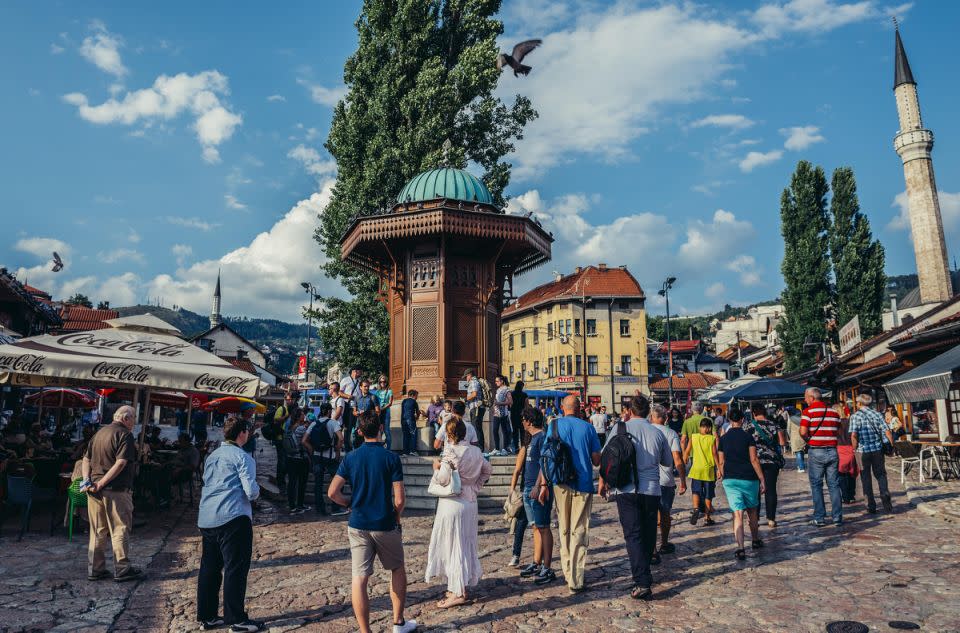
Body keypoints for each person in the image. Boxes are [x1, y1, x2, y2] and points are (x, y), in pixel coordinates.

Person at [328, 411, 417, 633]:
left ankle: (364, 630)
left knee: (359, 578)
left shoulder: (350, 458)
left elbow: (332, 492)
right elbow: (399, 498)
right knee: (396, 569)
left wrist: (348, 503)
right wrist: (396, 516)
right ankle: (398, 622)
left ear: (359, 431)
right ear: (380, 429)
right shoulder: (391, 458)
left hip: (358, 523)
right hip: (384, 522)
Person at [598, 396, 674, 600]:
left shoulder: (619, 429)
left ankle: (642, 580)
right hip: (651, 490)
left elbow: (606, 457)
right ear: (649, 412)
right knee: (649, 533)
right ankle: (644, 572)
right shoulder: (657, 433)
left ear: (629, 411)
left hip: (626, 489)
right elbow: (668, 462)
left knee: (633, 535)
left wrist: (603, 481)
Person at [196, 416, 263, 632]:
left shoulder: (212, 455)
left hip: (207, 516)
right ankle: (236, 619)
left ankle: (207, 616)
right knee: (235, 568)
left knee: (209, 568)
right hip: (233, 516)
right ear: (242, 433)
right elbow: (251, 492)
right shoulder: (243, 457)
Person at [425, 418, 493, 607]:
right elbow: (488, 470)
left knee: (452, 545)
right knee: (464, 544)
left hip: (452, 502)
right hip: (470, 502)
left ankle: (458, 592)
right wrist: (475, 487)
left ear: (449, 434)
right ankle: (458, 585)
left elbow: (444, 479)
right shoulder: (476, 451)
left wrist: (436, 468)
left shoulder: (450, 452)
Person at [537, 395, 600, 593]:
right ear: (579, 408)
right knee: (580, 529)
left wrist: (544, 484)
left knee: (564, 528)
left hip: (560, 483)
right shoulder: (588, 428)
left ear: (563, 408)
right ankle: (576, 578)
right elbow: (597, 460)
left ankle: (566, 571)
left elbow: (545, 458)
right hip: (583, 484)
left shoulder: (553, 426)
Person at [82, 405, 142, 583]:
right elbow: (121, 463)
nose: (134, 423)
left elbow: (85, 458)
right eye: (133, 419)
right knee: (119, 529)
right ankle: (122, 569)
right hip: (114, 489)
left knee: (98, 530)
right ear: (126, 418)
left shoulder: (99, 433)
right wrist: (102, 483)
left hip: (94, 489)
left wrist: (87, 480)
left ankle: (95, 569)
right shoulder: (125, 434)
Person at [717, 407, 766, 561]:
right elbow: (754, 459)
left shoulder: (723, 439)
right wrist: (762, 478)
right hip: (749, 478)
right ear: (742, 420)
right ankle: (755, 540)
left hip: (731, 479)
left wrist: (723, 475)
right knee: (752, 511)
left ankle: (740, 548)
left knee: (737, 513)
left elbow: (721, 461)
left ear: (729, 420)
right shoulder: (748, 437)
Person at [516, 406, 556, 584]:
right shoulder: (531, 439)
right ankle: (536, 561)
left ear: (529, 421)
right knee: (536, 527)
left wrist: (540, 485)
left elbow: (544, 463)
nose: (522, 422)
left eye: (524, 419)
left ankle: (547, 567)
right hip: (529, 487)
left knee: (544, 526)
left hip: (539, 488)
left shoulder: (542, 437)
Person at [800, 388, 843, 527]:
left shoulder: (808, 412)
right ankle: (837, 517)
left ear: (812, 398)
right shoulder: (833, 412)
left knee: (817, 485)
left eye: (806, 398)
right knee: (834, 485)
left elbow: (803, 432)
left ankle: (820, 517)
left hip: (816, 451)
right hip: (832, 451)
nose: (805, 400)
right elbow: (839, 430)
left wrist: (809, 440)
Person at [649, 404, 686, 556]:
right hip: (665, 480)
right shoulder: (671, 434)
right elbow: (677, 458)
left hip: (648, 481)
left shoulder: (645, 431)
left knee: (650, 515)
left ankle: (652, 548)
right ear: (665, 419)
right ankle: (664, 543)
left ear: (652, 417)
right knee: (665, 513)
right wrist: (683, 480)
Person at [850, 393, 895, 514]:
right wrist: (891, 448)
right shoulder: (877, 414)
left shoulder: (855, 416)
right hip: (877, 450)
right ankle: (885, 496)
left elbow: (854, 435)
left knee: (865, 478)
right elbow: (888, 432)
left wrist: (854, 449)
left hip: (861, 452)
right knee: (881, 475)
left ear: (859, 403)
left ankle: (871, 505)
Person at [744, 403, 786, 527]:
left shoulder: (748, 426)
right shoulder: (773, 425)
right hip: (772, 461)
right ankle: (771, 519)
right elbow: (782, 442)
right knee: (771, 490)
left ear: (753, 413)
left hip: (754, 461)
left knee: (755, 491)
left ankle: (755, 518)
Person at [303, 403, 348, 516]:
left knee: (318, 484)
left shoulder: (313, 423)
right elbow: (341, 438)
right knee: (339, 481)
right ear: (329, 411)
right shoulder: (333, 423)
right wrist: (337, 448)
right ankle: (335, 507)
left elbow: (304, 441)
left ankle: (320, 509)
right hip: (330, 458)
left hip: (317, 457)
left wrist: (312, 451)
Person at [682, 417, 718, 526]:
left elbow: (687, 451)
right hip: (708, 470)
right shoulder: (712, 439)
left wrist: (684, 461)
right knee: (708, 495)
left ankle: (696, 508)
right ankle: (707, 517)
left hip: (696, 470)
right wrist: (719, 468)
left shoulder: (694, 437)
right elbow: (714, 454)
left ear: (699, 428)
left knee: (696, 491)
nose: (706, 429)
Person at [507, 421, 530, 569]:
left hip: (526, 488)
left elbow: (517, 471)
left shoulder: (525, 448)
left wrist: (511, 489)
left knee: (521, 524)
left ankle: (516, 555)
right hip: (531, 488)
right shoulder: (532, 447)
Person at [283, 410, 311, 514]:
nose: (304, 416)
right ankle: (300, 504)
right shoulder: (302, 428)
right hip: (300, 459)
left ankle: (292, 505)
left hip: (290, 458)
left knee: (292, 482)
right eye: (303, 415)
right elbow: (308, 440)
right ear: (299, 417)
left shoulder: (288, 427)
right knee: (302, 483)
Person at [272, 392, 299, 488]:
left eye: (291, 399)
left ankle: (283, 480)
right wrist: (287, 416)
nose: (290, 401)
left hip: (288, 439)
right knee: (282, 461)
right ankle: (280, 481)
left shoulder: (294, 409)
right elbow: (276, 420)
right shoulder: (282, 409)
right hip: (280, 439)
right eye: (288, 399)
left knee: (286, 461)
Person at [463, 368, 487, 452]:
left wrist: (465, 399)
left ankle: (479, 448)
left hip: (476, 407)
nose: (466, 379)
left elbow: (474, 394)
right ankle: (479, 447)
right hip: (477, 407)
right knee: (477, 427)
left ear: (469, 375)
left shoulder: (473, 382)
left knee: (476, 428)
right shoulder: (475, 381)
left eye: (466, 377)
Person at [340, 368, 363, 452]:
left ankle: (357, 447)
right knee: (348, 428)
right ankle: (347, 449)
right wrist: (349, 396)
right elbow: (340, 392)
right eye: (360, 371)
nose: (361, 373)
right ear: (355, 371)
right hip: (348, 407)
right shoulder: (345, 380)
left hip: (358, 407)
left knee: (357, 428)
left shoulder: (359, 381)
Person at [837, 420, 859, 504]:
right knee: (851, 472)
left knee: (841, 474)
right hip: (850, 448)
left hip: (839, 449)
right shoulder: (850, 422)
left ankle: (845, 496)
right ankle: (851, 495)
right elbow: (855, 435)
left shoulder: (836, 423)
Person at [491, 374, 514, 456]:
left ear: (502, 381)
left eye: (497, 381)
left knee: (504, 431)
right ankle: (497, 448)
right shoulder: (498, 389)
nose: (495, 382)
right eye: (495, 381)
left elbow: (510, 402)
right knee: (494, 430)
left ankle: (504, 448)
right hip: (496, 413)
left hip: (503, 414)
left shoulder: (506, 390)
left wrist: (499, 403)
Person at [375, 376, 395, 451]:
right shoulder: (377, 392)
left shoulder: (390, 391)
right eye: (381, 382)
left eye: (384, 382)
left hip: (386, 411)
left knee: (386, 430)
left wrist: (381, 409)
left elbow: (390, 403)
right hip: (379, 412)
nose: (382, 383)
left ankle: (388, 449)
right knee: (379, 431)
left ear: (387, 382)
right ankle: (379, 448)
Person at [400, 390, 421, 456]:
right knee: (413, 435)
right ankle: (413, 450)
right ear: (413, 395)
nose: (417, 397)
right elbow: (417, 412)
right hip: (411, 420)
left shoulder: (404, 401)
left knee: (405, 436)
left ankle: (405, 452)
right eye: (417, 396)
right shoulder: (414, 401)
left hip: (403, 420)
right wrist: (417, 417)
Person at [509, 381, 528, 453]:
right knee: (522, 431)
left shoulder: (512, 394)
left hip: (513, 414)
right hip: (521, 415)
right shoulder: (524, 395)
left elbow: (510, 404)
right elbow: (526, 405)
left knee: (515, 431)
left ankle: (516, 448)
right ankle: (523, 447)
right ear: (522, 386)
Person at [787, 406, 806, 472]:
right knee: (801, 452)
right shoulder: (803, 419)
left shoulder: (790, 419)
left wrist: (789, 437)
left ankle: (801, 467)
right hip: (802, 437)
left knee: (798, 453)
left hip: (794, 438)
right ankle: (801, 465)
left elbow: (788, 429)